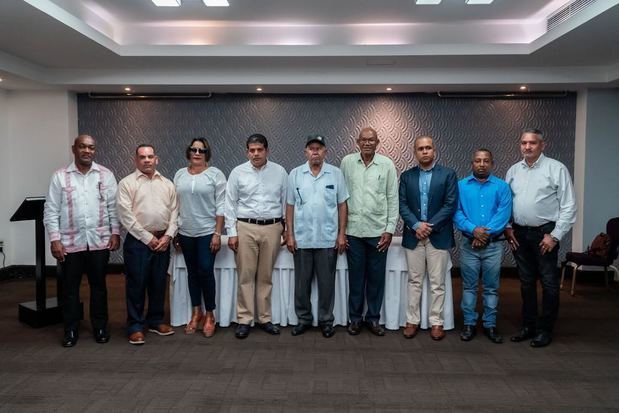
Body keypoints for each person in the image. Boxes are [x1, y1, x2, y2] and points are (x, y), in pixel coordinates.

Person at [43, 134, 120, 347]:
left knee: (99, 286)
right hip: (70, 242)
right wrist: (55, 240)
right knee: (70, 288)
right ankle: (70, 329)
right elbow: (50, 211)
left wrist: (115, 233)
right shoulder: (60, 176)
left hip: (99, 240)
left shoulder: (105, 175)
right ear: (74, 149)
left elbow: (113, 208)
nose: (87, 151)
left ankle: (100, 327)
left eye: (91, 147)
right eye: (83, 147)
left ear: (95, 150)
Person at [505, 128, 577, 348]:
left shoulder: (556, 169)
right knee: (526, 282)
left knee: (548, 282)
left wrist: (555, 236)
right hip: (518, 234)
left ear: (542, 145)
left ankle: (545, 330)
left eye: (532, 143)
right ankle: (528, 326)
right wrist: (507, 228)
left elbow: (569, 206)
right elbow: (506, 203)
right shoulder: (513, 170)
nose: (527, 147)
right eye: (524, 143)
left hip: (545, 234)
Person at [224, 134, 288, 339]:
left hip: (272, 227)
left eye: (259, 150)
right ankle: (244, 319)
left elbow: (286, 202)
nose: (256, 154)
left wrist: (286, 229)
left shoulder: (279, 172)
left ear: (267, 151)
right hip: (245, 227)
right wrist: (232, 233)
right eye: (252, 150)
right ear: (247, 152)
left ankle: (265, 319)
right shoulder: (237, 172)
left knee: (265, 277)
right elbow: (230, 204)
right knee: (245, 276)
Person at [286, 135, 349, 338]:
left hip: (327, 239)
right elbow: (289, 206)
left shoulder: (335, 174)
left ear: (325, 152)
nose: (315, 152)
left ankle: (326, 320)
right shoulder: (295, 174)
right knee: (301, 285)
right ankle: (303, 319)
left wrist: (341, 234)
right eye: (311, 148)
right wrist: (290, 234)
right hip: (302, 240)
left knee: (326, 284)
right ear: (305, 152)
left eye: (319, 148)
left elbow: (342, 205)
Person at [117, 144, 179, 345]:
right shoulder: (127, 184)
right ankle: (135, 325)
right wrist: (148, 238)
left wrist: (168, 236)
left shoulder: (167, 184)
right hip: (138, 243)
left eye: (150, 156)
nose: (146, 160)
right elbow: (126, 216)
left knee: (158, 283)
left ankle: (155, 320)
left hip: (162, 241)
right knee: (136, 284)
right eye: (142, 157)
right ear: (136, 160)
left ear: (156, 159)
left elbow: (175, 212)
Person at [340, 127, 398, 336]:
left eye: (371, 140)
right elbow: (341, 198)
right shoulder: (347, 162)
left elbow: (393, 198)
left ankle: (373, 319)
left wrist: (389, 229)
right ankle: (355, 319)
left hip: (377, 232)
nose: (367, 143)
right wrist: (342, 230)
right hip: (353, 231)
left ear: (377, 142)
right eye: (363, 140)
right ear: (357, 142)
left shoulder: (387, 165)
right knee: (355, 278)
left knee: (375, 278)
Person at [399, 135, 458, 341]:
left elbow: (450, 205)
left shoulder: (448, 175)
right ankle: (412, 321)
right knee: (414, 281)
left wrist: (428, 227)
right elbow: (402, 205)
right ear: (415, 152)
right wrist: (416, 225)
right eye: (420, 148)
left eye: (428, 148)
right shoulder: (407, 177)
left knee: (437, 283)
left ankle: (436, 322)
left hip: (438, 236)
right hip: (413, 235)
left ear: (434, 151)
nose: (424, 151)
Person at [454, 149, 512, 344]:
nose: (481, 164)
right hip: (469, 245)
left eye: (486, 161)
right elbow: (457, 213)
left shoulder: (502, 187)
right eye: (478, 161)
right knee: (469, 287)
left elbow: (503, 215)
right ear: (472, 164)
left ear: (492, 164)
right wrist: (473, 230)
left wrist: (483, 234)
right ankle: (469, 324)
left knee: (491, 288)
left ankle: (490, 325)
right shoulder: (461, 186)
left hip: (493, 246)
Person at [173, 138, 225, 337]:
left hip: (206, 232)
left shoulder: (215, 174)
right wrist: (175, 231)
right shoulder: (179, 175)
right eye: (194, 149)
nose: (197, 153)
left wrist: (217, 233)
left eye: (201, 150)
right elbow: (175, 204)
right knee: (192, 273)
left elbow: (221, 205)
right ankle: (196, 312)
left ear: (206, 153)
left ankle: (210, 314)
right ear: (189, 152)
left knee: (205, 270)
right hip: (185, 232)